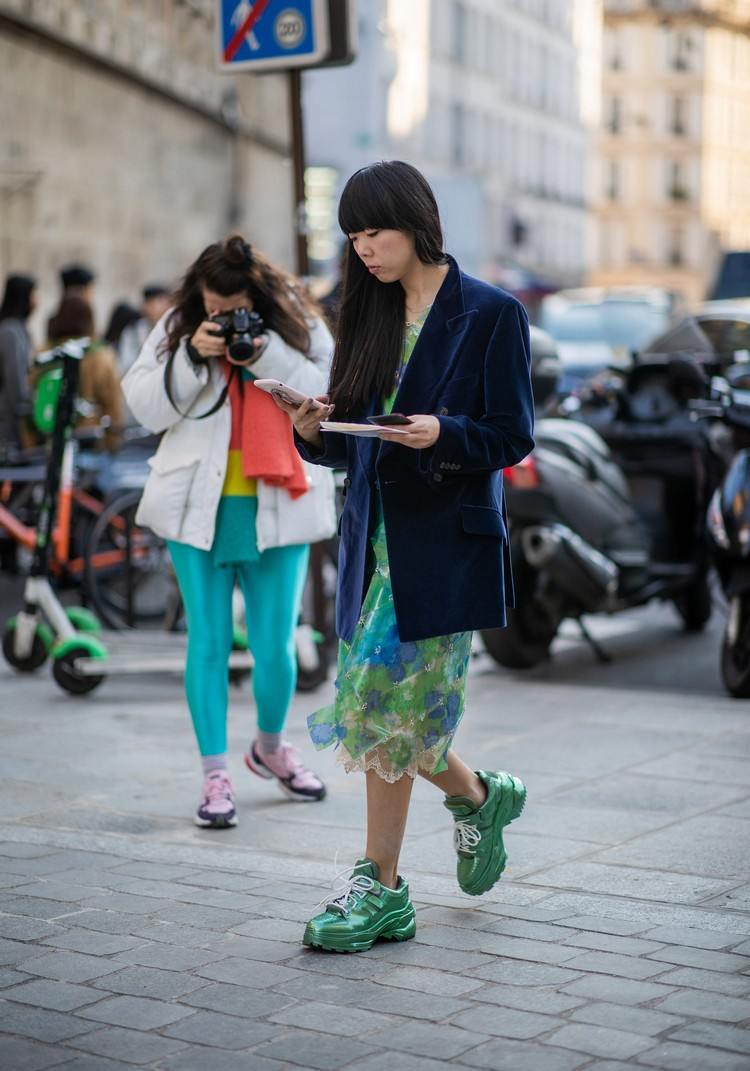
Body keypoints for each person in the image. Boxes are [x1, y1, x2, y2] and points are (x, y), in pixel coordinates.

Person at [274, 161, 535, 953]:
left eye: (374, 232)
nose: (364, 250)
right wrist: (314, 430)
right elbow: (354, 444)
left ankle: (380, 886)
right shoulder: (369, 314)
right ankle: (481, 797)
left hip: (442, 549)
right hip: (370, 546)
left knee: (376, 708)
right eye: (353, 236)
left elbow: (512, 433)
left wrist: (444, 434)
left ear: (415, 222)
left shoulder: (490, 312)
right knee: (384, 711)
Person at [122, 235, 336, 829]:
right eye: (214, 306)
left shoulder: (296, 316)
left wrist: (264, 353)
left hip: (280, 503)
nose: (223, 317)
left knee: (276, 644)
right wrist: (194, 354)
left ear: (258, 295)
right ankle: (215, 772)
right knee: (209, 643)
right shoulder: (178, 325)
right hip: (197, 504)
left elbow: (327, 389)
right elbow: (145, 406)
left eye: (233, 307)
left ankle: (270, 747)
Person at [46, 297, 123, 454]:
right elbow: (112, 402)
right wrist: (114, 442)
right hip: (90, 439)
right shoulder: (100, 355)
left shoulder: (46, 353)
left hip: (48, 442)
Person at [0, 274, 37, 456]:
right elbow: (15, 385)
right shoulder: (10, 332)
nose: (36, 301)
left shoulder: (18, 330)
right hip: (8, 427)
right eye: (33, 295)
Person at [118, 285, 172, 376]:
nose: (155, 308)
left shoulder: (175, 329)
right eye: (151, 303)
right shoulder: (133, 331)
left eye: (161, 302)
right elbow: (126, 365)